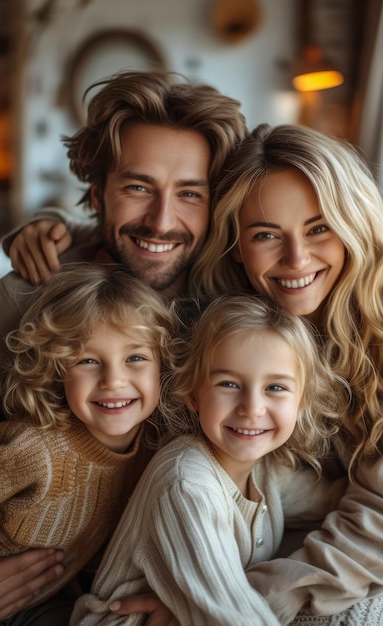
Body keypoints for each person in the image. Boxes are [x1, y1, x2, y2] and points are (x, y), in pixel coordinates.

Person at [0, 70, 246, 623]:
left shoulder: (228, 308)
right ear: (98, 193)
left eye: (189, 193)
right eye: (138, 187)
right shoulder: (26, 294)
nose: (162, 221)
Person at [188, 123, 383, 624]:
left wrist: (230, 601)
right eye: (266, 235)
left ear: (354, 223)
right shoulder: (231, 324)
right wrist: (60, 226)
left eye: (319, 228)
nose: (296, 259)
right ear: (236, 246)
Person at [69, 295, 347, 626]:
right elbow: (235, 619)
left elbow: (335, 501)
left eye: (275, 387)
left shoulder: (270, 468)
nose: (252, 408)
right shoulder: (186, 483)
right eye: (228, 384)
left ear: (302, 402)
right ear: (192, 392)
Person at [0, 263, 175, 625]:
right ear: (58, 371)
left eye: (135, 358)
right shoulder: (33, 450)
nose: (113, 380)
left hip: (47, 601)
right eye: (88, 360)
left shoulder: (158, 447)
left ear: (163, 365)